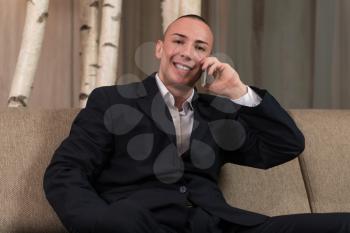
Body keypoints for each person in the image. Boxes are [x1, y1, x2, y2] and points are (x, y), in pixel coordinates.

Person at [43, 15, 350, 233]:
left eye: (200, 47)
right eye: (179, 41)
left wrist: (238, 92)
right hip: (140, 222)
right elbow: (65, 172)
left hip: (217, 224)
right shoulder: (113, 101)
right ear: (160, 48)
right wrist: (102, 222)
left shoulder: (217, 112)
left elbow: (286, 145)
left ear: (207, 59)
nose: (188, 52)